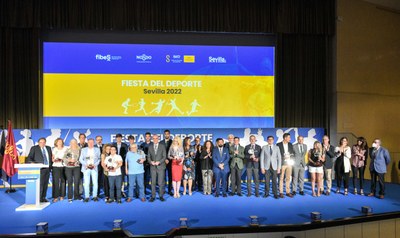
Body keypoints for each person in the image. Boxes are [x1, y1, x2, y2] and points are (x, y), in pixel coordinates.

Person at [26, 137, 53, 203]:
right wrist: (32, 163)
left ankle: (43, 197)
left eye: (44, 142)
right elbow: (29, 158)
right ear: (38, 143)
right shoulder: (34, 148)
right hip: (39, 169)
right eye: (41, 142)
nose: (42, 143)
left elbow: (50, 158)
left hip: (47, 169)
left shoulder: (48, 148)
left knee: (45, 184)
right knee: (40, 185)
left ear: (45, 143)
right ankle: (38, 198)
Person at [147, 134, 167, 202]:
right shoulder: (150, 146)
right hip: (152, 167)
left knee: (160, 183)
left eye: (156, 138)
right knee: (153, 182)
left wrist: (159, 162)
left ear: (158, 139)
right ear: (152, 139)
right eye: (154, 138)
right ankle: (153, 196)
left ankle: (161, 196)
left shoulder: (162, 146)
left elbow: (164, 156)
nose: (155, 139)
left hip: (160, 166)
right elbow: (148, 157)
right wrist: (150, 162)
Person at [276, 133, 294, 198]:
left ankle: (288, 192)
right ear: (285, 138)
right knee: (281, 178)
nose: (290, 139)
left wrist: (290, 157)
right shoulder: (278, 145)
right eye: (289, 137)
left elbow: (292, 154)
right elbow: (277, 155)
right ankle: (280, 192)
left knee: (288, 178)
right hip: (282, 164)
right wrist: (284, 157)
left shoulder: (290, 144)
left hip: (289, 164)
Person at [112, 133, 128, 198]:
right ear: (116, 138)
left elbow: (126, 155)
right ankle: (116, 191)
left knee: (122, 178)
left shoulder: (125, 145)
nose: (118, 139)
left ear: (121, 138)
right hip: (114, 164)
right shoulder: (113, 145)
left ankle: (122, 191)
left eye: (120, 138)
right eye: (117, 137)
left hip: (122, 164)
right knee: (114, 178)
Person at [51, 138, 67, 202]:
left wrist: (62, 159)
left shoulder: (66, 149)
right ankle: (55, 197)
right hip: (55, 166)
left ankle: (62, 196)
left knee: (63, 181)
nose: (60, 143)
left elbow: (67, 157)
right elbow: (52, 158)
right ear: (56, 142)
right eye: (58, 142)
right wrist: (54, 160)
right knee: (55, 182)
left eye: (61, 141)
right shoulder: (54, 149)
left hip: (63, 166)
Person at [160, 130, 173, 196]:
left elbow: (174, 152)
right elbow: (160, 152)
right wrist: (165, 159)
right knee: (163, 177)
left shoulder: (173, 142)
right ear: (164, 135)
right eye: (165, 134)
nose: (166, 135)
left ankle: (170, 190)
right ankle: (163, 190)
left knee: (170, 176)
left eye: (168, 134)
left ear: (169, 134)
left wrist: (168, 159)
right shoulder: (161, 142)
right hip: (163, 162)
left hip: (170, 162)